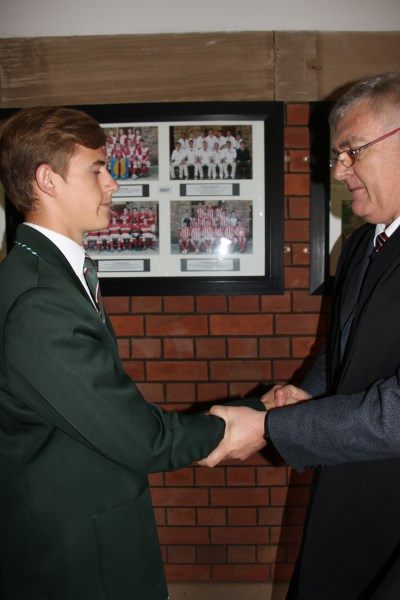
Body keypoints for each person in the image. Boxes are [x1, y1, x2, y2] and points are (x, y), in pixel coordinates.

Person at [0, 106, 265, 600]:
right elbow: (141, 438)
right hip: (76, 554)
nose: (113, 183)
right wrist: (245, 423)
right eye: (97, 169)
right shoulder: (39, 300)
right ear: (47, 180)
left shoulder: (47, 274)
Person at [201, 71, 400, 599]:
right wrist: (307, 392)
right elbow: (344, 347)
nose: (338, 171)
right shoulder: (359, 246)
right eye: (337, 155)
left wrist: (272, 426)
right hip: (348, 482)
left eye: (352, 151)